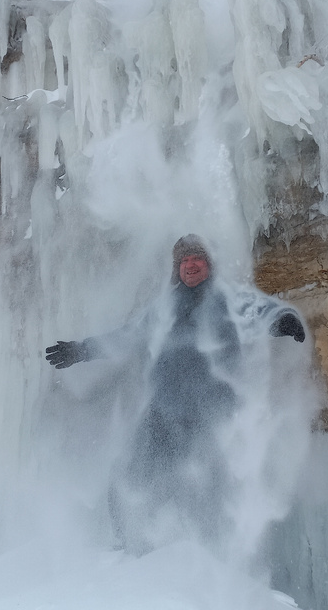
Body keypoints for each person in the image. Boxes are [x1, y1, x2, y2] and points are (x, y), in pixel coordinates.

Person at [45, 235, 305, 551]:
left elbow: (262, 313)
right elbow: (126, 337)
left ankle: (211, 556)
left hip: (211, 413)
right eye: (184, 261)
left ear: (209, 264)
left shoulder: (231, 299)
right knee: (128, 473)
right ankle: (128, 548)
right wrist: (81, 350)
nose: (190, 265)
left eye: (197, 259)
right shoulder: (163, 308)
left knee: (211, 484)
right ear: (176, 268)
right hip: (163, 412)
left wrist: (285, 321)